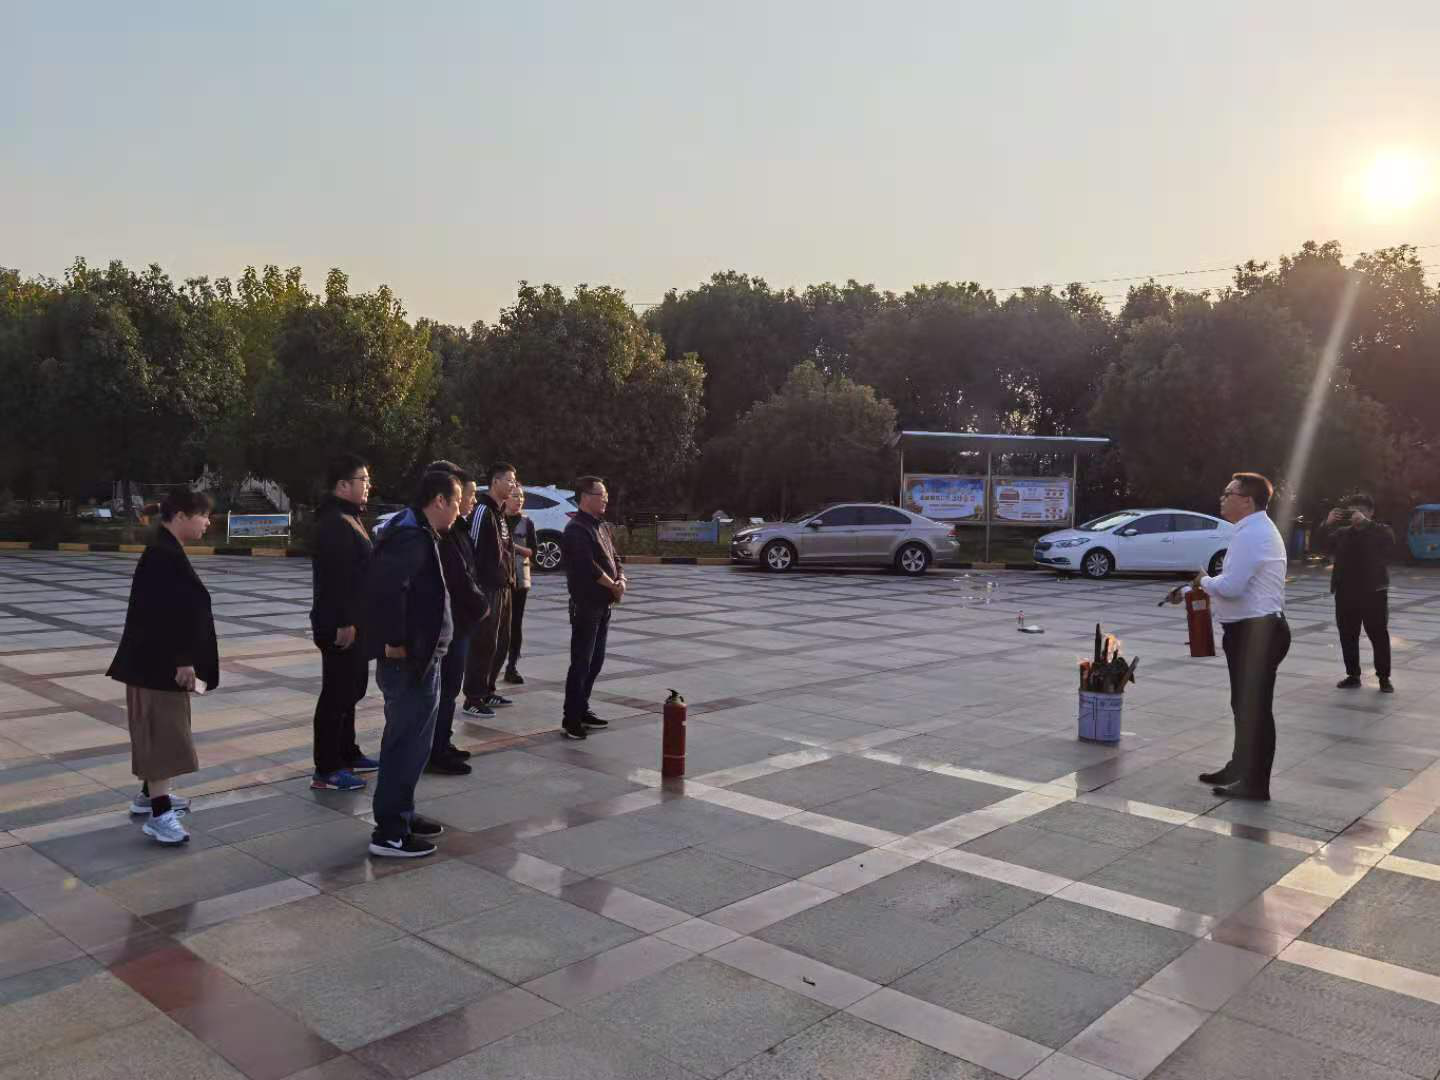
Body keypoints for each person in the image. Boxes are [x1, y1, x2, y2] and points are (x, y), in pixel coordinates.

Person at [107, 490, 219, 845]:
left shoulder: (166, 549)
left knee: (162, 733)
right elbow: (161, 615)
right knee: (162, 737)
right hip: (158, 666)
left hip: (157, 663)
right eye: (203, 515)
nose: (208, 522)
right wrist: (183, 659)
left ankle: (149, 796)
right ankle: (159, 815)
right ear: (182, 516)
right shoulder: (162, 555)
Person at [363, 470, 460, 858]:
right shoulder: (410, 536)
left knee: (415, 744)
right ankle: (390, 832)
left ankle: (402, 813)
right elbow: (385, 590)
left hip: (422, 659)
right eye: (456, 502)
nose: (459, 511)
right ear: (439, 500)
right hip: (409, 663)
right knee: (404, 744)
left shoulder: (418, 530)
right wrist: (395, 643)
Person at [1179, 472, 1290, 801]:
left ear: (1247, 501)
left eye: (1229, 493)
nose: (1222, 498)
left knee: (1255, 710)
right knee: (1244, 705)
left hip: (1257, 634)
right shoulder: (1252, 530)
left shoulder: (1253, 534)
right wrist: (1192, 590)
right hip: (1253, 631)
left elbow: (1231, 587)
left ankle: (1256, 784)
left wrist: (1203, 580)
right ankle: (1240, 768)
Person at [308, 454, 378, 791]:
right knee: (336, 695)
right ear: (342, 485)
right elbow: (336, 579)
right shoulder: (333, 522)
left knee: (351, 690)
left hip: (355, 621)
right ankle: (327, 769)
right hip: (339, 625)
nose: (368, 485)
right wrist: (345, 621)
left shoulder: (350, 517)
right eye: (363, 480)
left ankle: (347, 753)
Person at [427, 463, 489, 775]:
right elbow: (458, 578)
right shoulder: (444, 534)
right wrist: (482, 606)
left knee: (450, 690)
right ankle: (434, 751)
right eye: (470, 494)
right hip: (452, 623)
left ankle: (443, 742)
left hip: (461, 623)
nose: (473, 500)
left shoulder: (458, 529)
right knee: (445, 690)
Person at [560, 476, 624, 740]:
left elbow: (615, 558)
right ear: (585, 497)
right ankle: (571, 718)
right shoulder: (576, 529)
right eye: (601, 495)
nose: (606, 499)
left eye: (606, 494)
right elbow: (588, 566)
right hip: (586, 606)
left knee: (595, 662)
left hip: (603, 605)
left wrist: (621, 579)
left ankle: (582, 708)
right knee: (581, 663)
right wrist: (613, 586)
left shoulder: (601, 526)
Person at [1323, 493, 1394, 693]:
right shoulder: (1342, 533)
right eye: (1353, 511)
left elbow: (1389, 544)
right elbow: (1320, 546)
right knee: (1348, 636)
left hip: (1373, 593)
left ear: (1371, 513)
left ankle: (1384, 678)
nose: (1356, 515)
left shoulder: (1381, 530)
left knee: (1378, 636)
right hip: (1345, 594)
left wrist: (1366, 524)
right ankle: (1353, 675)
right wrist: (1327, 524)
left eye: (1361, 511)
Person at [461, 463, 516, 720]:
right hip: (487, 587)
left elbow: (505, 551)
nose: (513, 486)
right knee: (483, 643)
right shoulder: (483, 510)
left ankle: (487, 689)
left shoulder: (500, 512)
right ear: (495, 481)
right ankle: (473, 697)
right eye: (509, 480)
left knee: (501, 642)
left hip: (504, 587)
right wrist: (475, 589)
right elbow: (470, 549)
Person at [504, 486, 535, 685]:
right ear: (506, 498)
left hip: (520, 580)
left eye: (522, 496)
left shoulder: (526, 522)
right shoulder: (497, 519)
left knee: (516, 624)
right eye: (515, 496)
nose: (519, 499)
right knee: (498, 625)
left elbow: (532, 551)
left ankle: (512, 666)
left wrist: (511, 546)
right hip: (499, 579)